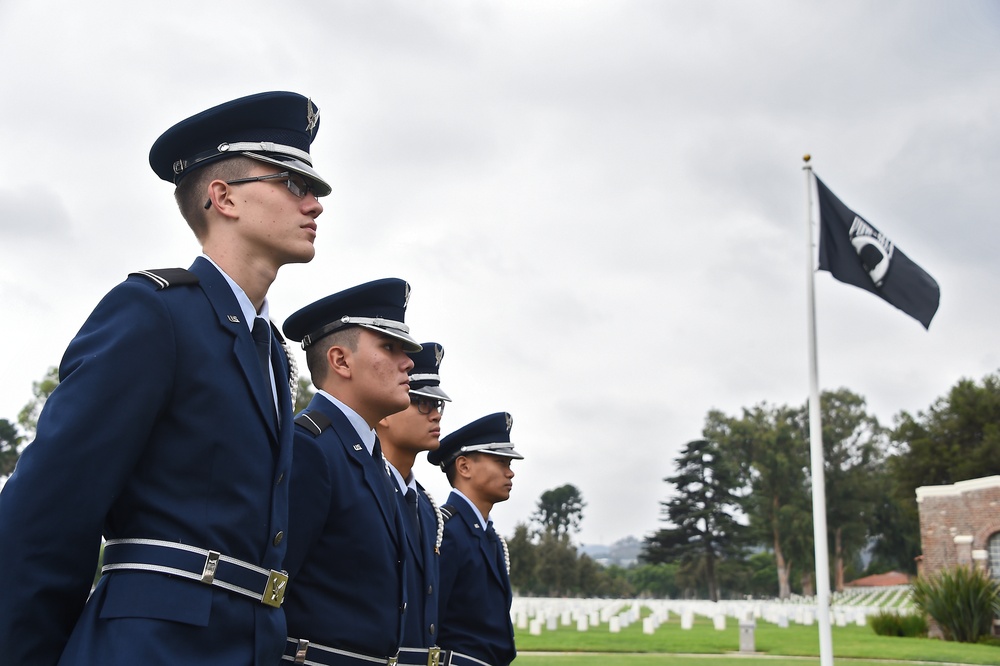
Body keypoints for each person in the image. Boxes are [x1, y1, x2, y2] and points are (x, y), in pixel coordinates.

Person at [0, 91, 329, 666]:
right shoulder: (154, 314)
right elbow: (45, 515)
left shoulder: (272, 352)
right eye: (293, 184)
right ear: (222, 197)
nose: (316, 205)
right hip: (152, 646)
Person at [280, 277, 421, 666]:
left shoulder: (367, 454)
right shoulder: (310, 448)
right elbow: (268, 593)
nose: (408, 362)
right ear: (341, 360)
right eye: (389, 347)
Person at [428, 412, 524, 666]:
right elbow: (430, 621)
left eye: (510, 464)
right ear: (464, 467)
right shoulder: (446, 531)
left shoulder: (491, 537)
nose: (510, 473)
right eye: (501, 462)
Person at [376, 342, 450, 657]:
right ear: (385, 415)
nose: (435, 415)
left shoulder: (428, 509)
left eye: (438, 405)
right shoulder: (367, 486)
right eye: (420, 402)